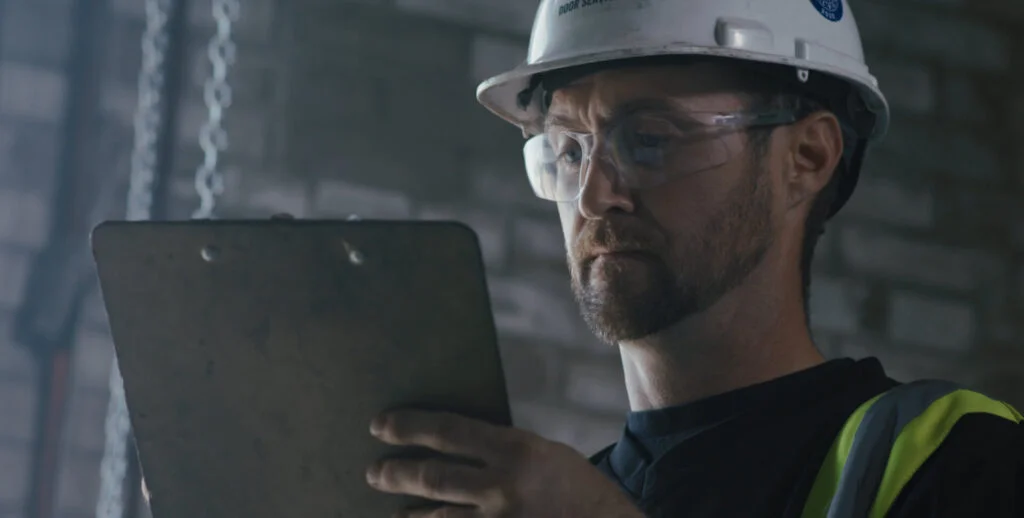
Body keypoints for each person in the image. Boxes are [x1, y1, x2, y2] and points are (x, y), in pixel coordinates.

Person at [364, 0, 1024, 516]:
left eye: (649, 140)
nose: (595, 195)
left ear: (807, 158)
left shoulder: (957, 460)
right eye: (568, 151)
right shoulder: (548, 499)